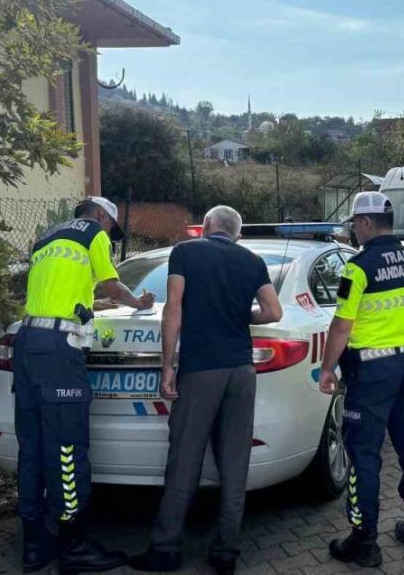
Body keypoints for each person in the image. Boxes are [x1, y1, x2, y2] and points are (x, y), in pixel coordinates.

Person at [129, 206, 283, 575]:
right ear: (237, 234)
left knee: (184, 460)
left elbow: (174, 309)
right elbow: (273, 312)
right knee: (234, 463)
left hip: (201, 370)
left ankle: (166, 549)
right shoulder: (252, 261)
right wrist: (242, 316)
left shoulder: (186, 251)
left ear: (207, 227)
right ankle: (226, 552)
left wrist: (167, 366)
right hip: (241, 372)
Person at [14, 196, 155, 574]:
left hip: (27, 343)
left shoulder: (47, 239)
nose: (111, 232)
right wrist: (138, 303)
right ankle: (73, 547)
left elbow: (62, 293)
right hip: (59, 352)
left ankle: (34, 546)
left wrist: (91, 307)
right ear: (99, 215)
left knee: (32, 448)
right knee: (66, 449)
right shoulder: (93, 233)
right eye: (112, 225)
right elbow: (111, 285)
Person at [318, 192, 404, 568]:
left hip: (370, 375)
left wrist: (326, 369)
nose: (354, 230)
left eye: (355, 223)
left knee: (364, 456)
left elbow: (341, 326)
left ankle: (364, 542)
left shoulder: (358, 267)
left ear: (366, 224)